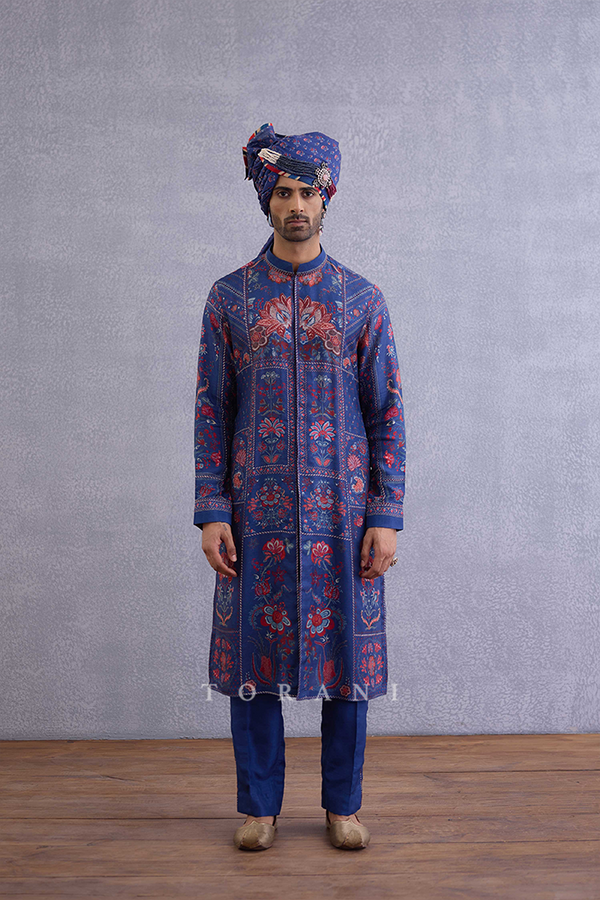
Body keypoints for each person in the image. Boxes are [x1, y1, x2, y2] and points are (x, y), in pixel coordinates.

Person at [194, 122, 406, 850]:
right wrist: (212, 510)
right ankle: (259, 809)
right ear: (267, 199)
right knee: (252, 665)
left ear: (326, 197)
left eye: (307, 192)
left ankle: (343, 807)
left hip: (344, 518)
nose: (295, 205)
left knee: (347, 665)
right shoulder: (229, 298)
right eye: (282, 191)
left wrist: (386, 514)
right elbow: (211, 410)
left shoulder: (361, 299)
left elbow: (387, 412)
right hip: (254, 517)